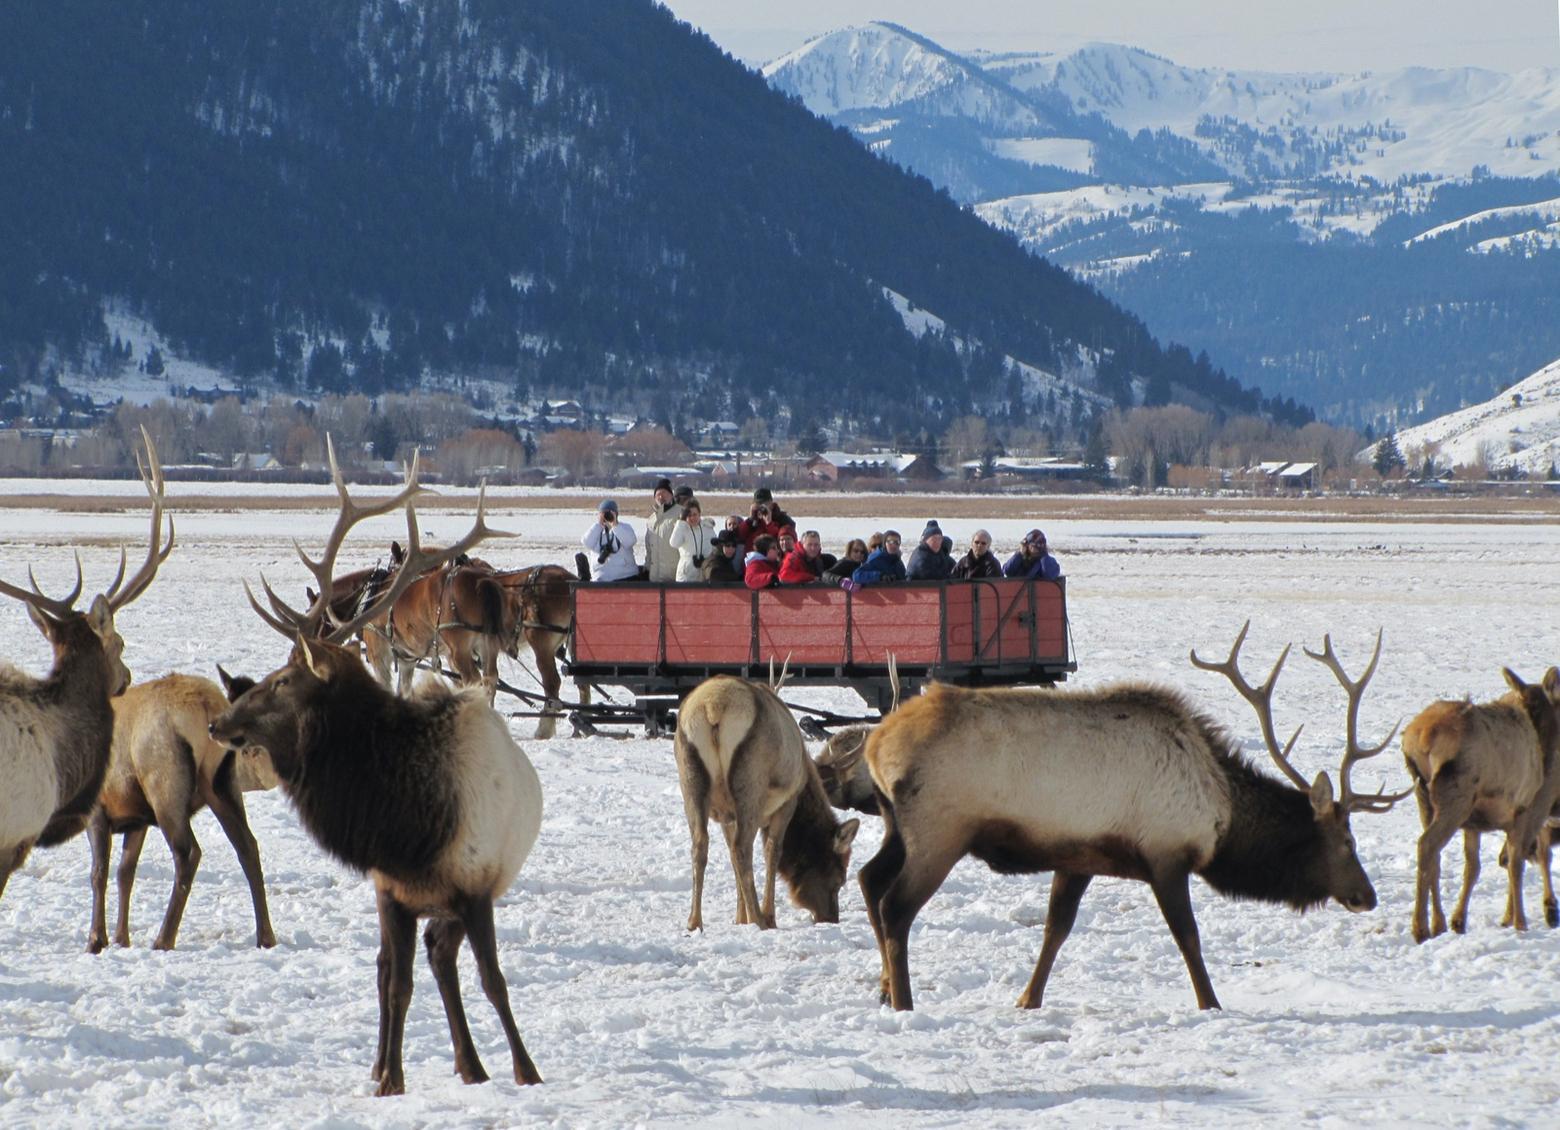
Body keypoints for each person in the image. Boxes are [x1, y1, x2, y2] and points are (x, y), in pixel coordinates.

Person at [582, 499, 639, 582]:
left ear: (616, 514)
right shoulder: (596, 530)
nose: (607, 516)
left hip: (626, 576)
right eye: (603, 513)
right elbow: (586, 543)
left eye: (610, 513)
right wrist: (599, 525)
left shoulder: (625, 527)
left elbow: (630, 541)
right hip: (601, 578)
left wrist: (615, 525)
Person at [669, 500, 717, 582]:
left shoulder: (708, 528)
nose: (692, 518)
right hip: (686, 575)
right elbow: (674, 543)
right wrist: (681, 522)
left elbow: (715, 549)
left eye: (694, 514)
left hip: (704, 573)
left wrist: (706, 561)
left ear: (699, 514)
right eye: (689, 515)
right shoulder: (682, 528)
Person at [645, 478, 681, 583]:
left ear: (671, 495)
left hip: (675, 577)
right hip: (654, 577)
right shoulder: (651, 520)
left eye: (664, 493)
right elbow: (649, 548)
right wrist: (647, 568)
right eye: (658, 494)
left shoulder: (680, 513)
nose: (661, 497)